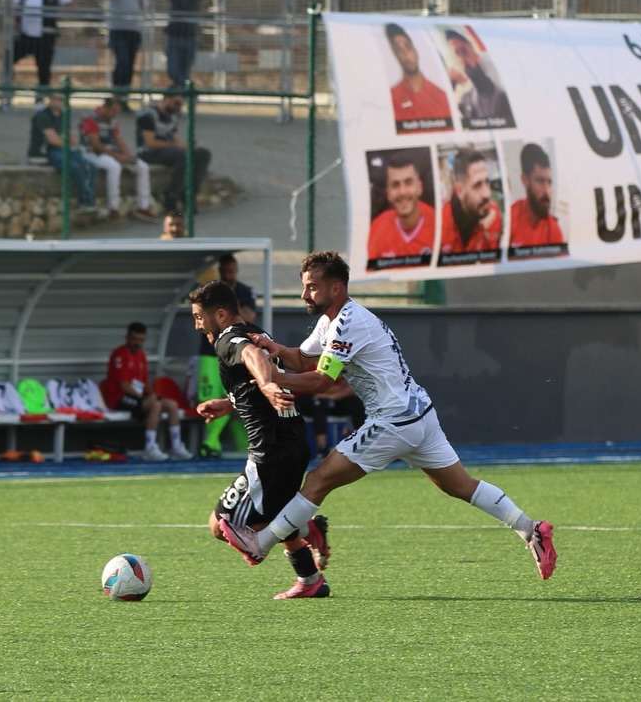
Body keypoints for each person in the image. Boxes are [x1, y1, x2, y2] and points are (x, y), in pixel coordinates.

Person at [217, 251, 557, 583]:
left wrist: (271, 379)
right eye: (305, 286)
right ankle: (531, 530)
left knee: (319, 480)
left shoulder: (348, 324)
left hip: (394, 422)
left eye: (312, 287)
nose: (305, 294)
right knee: (461, 486)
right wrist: (277, 351)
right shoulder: (331, 321)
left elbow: (322, 380)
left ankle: (260, 544)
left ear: (336, 288)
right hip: (418, 413)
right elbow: (305, 360)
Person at [189, 280, 331, 599]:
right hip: (291, 441)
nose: (197, 324)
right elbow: (253, 379)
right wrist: (229, 404)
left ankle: (308, 530)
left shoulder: (229, 339)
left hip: (270, 452)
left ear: (221, 314)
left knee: (220, 524)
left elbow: (254, 358)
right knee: (274, 513)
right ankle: (310, 580)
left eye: (199, 316)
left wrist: (267, 385)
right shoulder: (254, 329)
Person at [100, 322, 193, 461]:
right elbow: (124, 386)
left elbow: (144, 383)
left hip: (138, 398)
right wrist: (146, 398)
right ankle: (149, 448)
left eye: (141, 340)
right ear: (127, 338)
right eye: (134, 340)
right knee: (155, 405)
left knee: (172, 405)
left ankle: (176, 446)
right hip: (119, 398)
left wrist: (152, 394)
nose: (137, 343)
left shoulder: (141, 356)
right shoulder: (119, 355)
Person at [195, 253, 253, 458]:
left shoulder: (244, 291)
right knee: (210, 398)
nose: (228, 275)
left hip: (232, 352)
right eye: (225, 272)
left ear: (236, 270)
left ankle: (213, 443)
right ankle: (211, 443)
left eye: (231, 271)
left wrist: (231, 301)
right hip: (209, 354)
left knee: (234, 395)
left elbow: (249, 317)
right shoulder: (209, 292)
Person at [80, 96, 157, 221]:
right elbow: (96, 144)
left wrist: (128, 155)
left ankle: (143, 206)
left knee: (142, 166)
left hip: (110, 152)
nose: (115, 115)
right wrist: (118, 157)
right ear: (105, 107)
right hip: (92, 153)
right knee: (114, 167)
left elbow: (118, 139)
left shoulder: (112, 120)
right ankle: (113, 207)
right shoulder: (90, 118)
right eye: (113, 111)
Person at [136, 91, 211, 214]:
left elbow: (174, 138)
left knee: (203, 154)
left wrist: (186, 145)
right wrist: (176, 145)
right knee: (182, 156)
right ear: (165, 99)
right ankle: (172, 196)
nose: (178, 106)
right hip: (149, 152)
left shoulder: (172, 115)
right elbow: (150, 143)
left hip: (168, 150)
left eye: (181, 104)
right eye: (176, 103)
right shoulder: (148, 116)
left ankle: (190, 194)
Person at [29, 92, 98, 212]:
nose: (60, 102)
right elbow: (53, 140)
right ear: (50, 100)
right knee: (74, 167)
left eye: (63, 99)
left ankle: (87, 200)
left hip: (66, 149)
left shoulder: (64, 115)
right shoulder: (43, 116)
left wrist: (63, 139)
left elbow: (74, 139)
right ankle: (86, 200)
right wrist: (65, 139)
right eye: (57, 99)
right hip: (47, 152)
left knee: (90, 166)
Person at [367, 153, 436, 265]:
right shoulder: (377, 228)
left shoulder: (439, 225)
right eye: (395, 185)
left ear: (419, 187)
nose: (402, 192)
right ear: (388, 193)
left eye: (408, 183)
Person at [385, 23, 452, 134]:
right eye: (399, 49)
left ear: (415, 51)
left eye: (407, 47)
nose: (405, 54)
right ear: (395, 54)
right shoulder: (392, 98)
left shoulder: (441, 96)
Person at [444, 28, 514, 129]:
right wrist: (450, 84)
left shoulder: (501, 90)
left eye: (464, 51)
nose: (462, 59)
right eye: (457, 54)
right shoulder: (466, 100)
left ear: (476, 52)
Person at [439, 147, 502, 256]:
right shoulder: (440, 221)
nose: (486, 194)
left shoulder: (492, 215)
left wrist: (486, 233)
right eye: (477, 185)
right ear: (460, 191)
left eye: (487, 182)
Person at [14, 0, 73, 94]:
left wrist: (56, 15)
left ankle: (41, 98)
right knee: (9, 58)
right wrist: (16, 22)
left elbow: (70, 4)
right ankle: (8, 92)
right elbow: (13, 9)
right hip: (26, 36)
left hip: (45, 37)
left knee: (44, 69)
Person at [510, 142, 565, 249]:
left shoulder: (553, 229)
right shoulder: (510, 219)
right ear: (525, 180)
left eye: (549, 182)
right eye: (540, 181)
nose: (547, 191)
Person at [295, 379, 365, 458]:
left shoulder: (346, 370)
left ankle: (363, 442)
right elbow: (314, 387)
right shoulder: (310, 368)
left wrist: (331, 395)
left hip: (332, 397)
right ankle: (322, 447)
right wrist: (339, 388)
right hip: (308, 399)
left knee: (357, 403)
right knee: (320, 404)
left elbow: (352, 388)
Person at [105, 0, 142, 111]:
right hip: (118, 29)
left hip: (134, 30)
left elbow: (139, 3)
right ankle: (117, 96)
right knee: (122, 61)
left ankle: (124, 98)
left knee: (129, 65)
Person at [163, 0, 203, 88]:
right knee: (172, 70)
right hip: (174, 35)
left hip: (190, 35)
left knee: (185, 71)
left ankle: (181, 93)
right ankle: (183, 91)